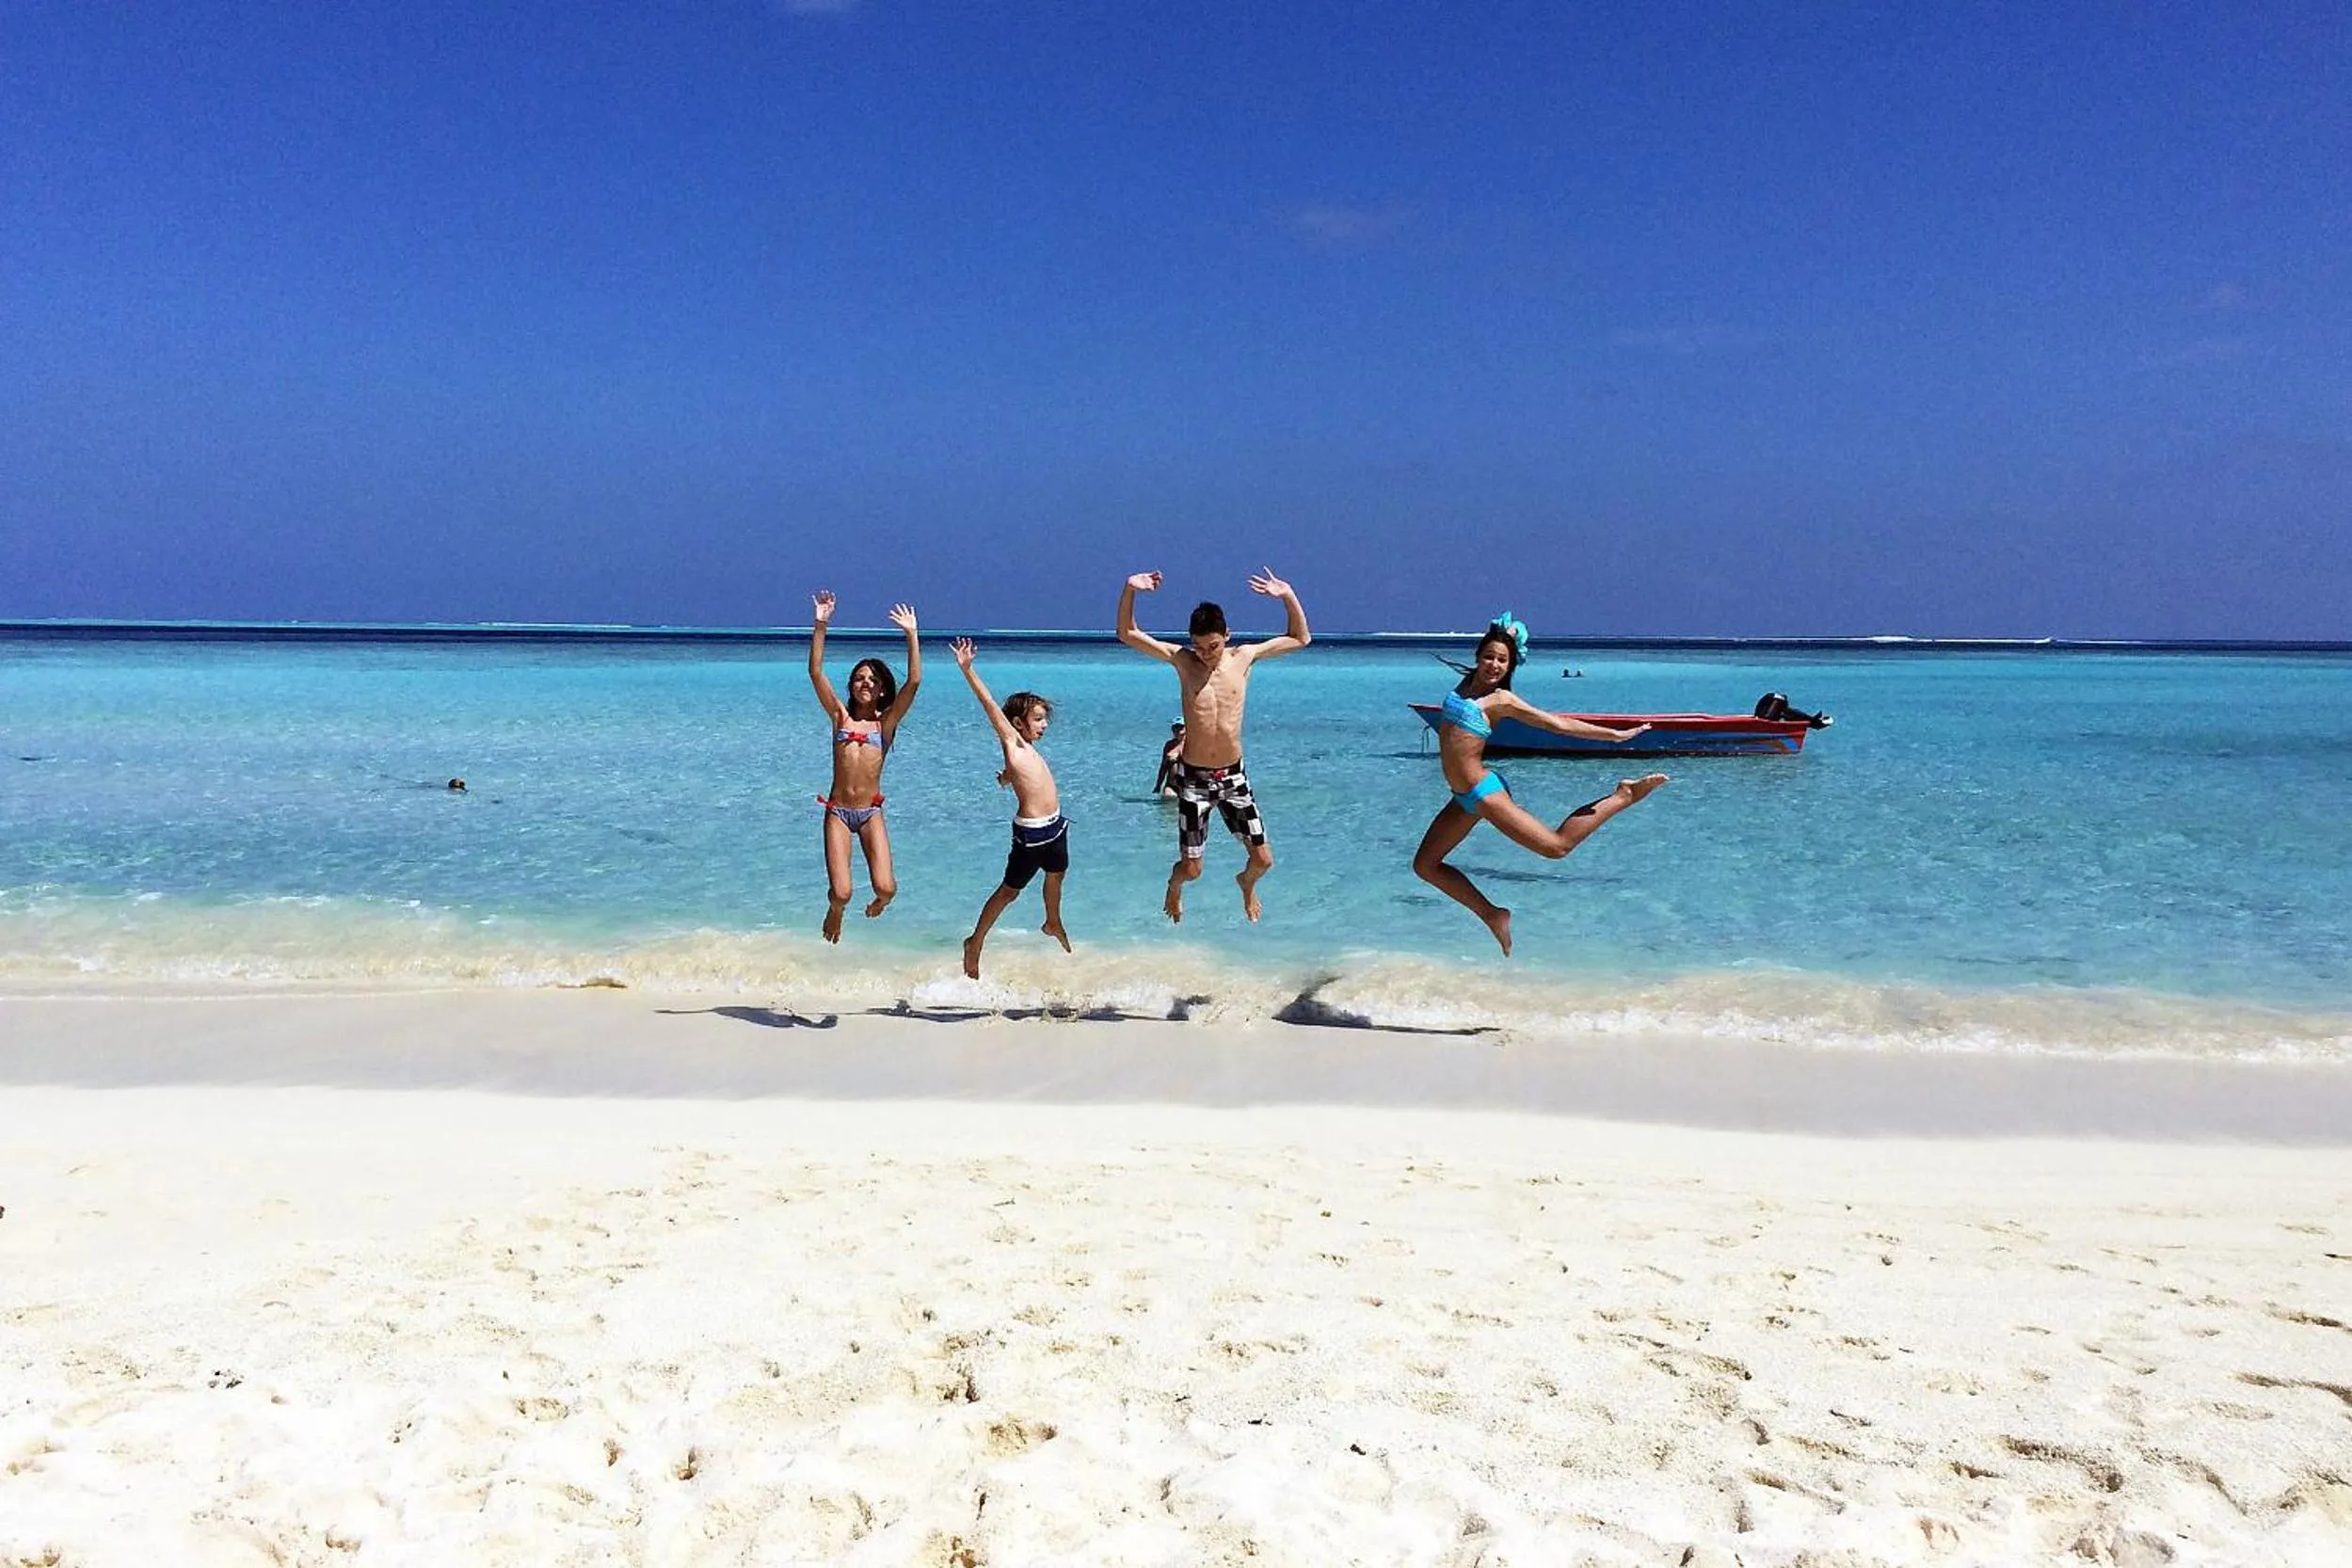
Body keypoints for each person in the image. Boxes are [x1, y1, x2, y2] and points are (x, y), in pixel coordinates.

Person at [1413, 614, 1668, 956]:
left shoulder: (1502, 701)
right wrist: (1509, 634)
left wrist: (1614, 736)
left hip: (1484, 793)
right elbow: (1505, 632)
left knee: (1556, 847)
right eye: (1489, 656)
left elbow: (1556, 725)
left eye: (1502, 660)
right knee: (1426, 865)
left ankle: (1623, 795)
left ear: (1510, 666)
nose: (1494, 664)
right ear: (1478, 656)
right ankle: (1493, 914)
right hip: (1462, 799)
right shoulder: (1466, 686)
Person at [1116, 567, 1310, 923]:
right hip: (1193, 781)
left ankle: (1246, 884)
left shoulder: (1244, 657)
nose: (1205, 654)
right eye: (1199, 647)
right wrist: (1131, 588)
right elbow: (1127, 633)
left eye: (1213, 646)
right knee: (1192, 870)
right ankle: (1173, 887)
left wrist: (1287, 594)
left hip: (1234, 778)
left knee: (1263, 860)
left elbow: (1300, 638)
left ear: (1227, 636)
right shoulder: (1183, 662)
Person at [950, 638, 1070, 979]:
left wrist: (1007, 777)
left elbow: (1024, 776)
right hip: (1031, 834)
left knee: (1057, 874)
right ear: (1017, 724)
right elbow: (990, 706)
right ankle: (975, 941)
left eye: (1044, 719)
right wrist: (968, 670)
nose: (1043, 725)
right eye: (1037, 719)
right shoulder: (1013, 742)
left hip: (1056, 826)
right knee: (1009, 892)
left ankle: (1052, 920)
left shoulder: (1025, 751)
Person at [807, 591, 921, 943]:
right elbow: (815, 671)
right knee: (841, 893)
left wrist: (911, 635)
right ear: (852, 686)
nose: (866, 683)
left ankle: (879, 904)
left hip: (870, 813)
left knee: (886, 888)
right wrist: (821, 623)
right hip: (838, 812)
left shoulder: (884, 726)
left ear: (883, 689)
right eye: (859, 678)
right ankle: (836, 912)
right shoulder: (840, 717)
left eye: (872, 679)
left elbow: (914, 682)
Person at [1153, 721, 1185, 798]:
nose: (1177, 730)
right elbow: (1163, 767)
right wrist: (1158, 785)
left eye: (1180, 727)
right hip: (1171, 785)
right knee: (1167, 802)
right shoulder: (1169, 745)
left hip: (1187, 787)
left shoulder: (1191, 745)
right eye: (1174, 728)